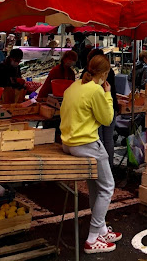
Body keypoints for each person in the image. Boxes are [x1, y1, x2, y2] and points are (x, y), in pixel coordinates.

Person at [60, 55, 121, 253]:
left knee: (96, 184)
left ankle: (101, 227)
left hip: (68, 142)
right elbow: (106, 119)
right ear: (104, 74)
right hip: (86, 143)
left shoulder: (75, 85)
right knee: (107, 186)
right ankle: (93, 236)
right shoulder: (96, 89)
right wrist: (108, 95)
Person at [82, 48, 119, 167]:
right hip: (109, 107)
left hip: (100, 109)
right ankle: (109, 167)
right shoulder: (110, 73)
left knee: (100, 140)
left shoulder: (89, 77)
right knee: (107, 140)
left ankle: (102, 167)